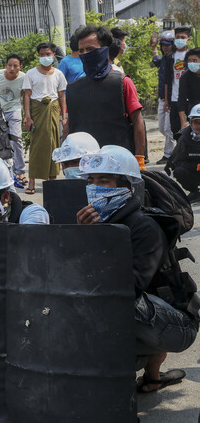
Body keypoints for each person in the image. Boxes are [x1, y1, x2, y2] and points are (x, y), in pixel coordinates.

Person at [77, 145, 198, 394]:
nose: (95, 186)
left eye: (104, 180)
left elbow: (129, 287)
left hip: (176, 325)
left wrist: (93, 239)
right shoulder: (99, 220)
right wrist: (80, 235)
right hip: (147, 321)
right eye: (91, 180)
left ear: (127, 187)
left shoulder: (145, 227)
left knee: (113, 299)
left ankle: (128, 383)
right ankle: (149, 378)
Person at [65, 25, 146, 170]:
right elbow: (69, 125)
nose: (85, 54)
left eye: (90, 49)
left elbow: (138, 121)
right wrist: (67, 161)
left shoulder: (122, 82)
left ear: (105, 50)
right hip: (85, 165)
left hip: (118, 162)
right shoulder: (72, 88)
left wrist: (139, 159)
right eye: (81, 51)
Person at [22, 42, 68, 194]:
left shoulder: (58, 74)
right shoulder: (31, 73)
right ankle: (32, 182)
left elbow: (61, 95)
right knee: (36, 145)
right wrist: (27, 117)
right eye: (41, 54)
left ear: (54, 55)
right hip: (37, 110)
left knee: (54, 143)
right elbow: (26, 96)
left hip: (53, 109)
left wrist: (63, 115)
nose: (44, 57)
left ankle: (52, 180)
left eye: (47, 54)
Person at [0, 53, 27, 185]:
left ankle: (20, 171)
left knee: (16, 139)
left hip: (15, 109)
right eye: (9, 65)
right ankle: (3, 171)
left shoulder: (24, 77)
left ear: (20, 67)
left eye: (15, 66)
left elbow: (26, 95)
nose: (12, 68)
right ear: (6, 65)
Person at [151, 30, 177, 164]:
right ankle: (176, 148)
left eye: (167, 45)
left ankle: (169, 155)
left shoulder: (174, 59)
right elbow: (156, 60)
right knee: (162, 128)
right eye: (163, 45)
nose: (165, 47)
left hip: (171, 99)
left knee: (168, 129)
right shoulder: (165, 59)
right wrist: (154, 47)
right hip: (162, 98)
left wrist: (169, 99)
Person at [165, 104, 200, 203]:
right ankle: (195, 193)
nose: (198, 126)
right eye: (196, 123)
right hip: (194, 171)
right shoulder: (184, 137)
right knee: (179, 171)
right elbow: (176, 159)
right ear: (190, 122)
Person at [166, 26, 193, 133]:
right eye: (178, 37)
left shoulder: (192, 56)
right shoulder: (170, 57)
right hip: (174, 99)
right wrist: (167, 99)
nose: (180, 39)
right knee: (176, 129)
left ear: (188, 39)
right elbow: (168, 80)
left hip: (190, 99)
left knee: (193, 126)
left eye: (183, 37)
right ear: (174, 39)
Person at [179, 48, 200, 120]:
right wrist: (183, 122)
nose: (192, 63)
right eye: (189, 61)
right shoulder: (185, 77)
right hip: (193, 111)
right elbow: (181, 100)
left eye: (194, 61)